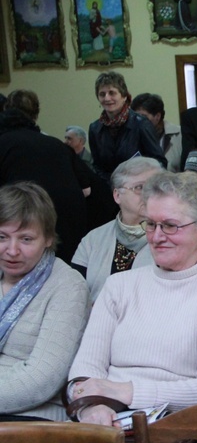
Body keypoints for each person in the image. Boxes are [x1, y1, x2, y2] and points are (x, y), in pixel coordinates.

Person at [66, 171, 197, 427]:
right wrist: (92, 409)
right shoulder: (118, 286)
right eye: (150, 224)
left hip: (177, 431)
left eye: (170, 225)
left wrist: (126, 391)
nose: (157, 237)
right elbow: (84, 372)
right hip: (103, 419)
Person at [0, 182, 90, 443]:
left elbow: (42, 378)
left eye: (26, 239)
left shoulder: (67, 285)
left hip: (32, 421)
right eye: (2, 237)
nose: (11, 250)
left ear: (49, 239)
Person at [0, 90, 90, 264]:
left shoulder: (4, 143)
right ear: (36, 114)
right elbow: (87, 189)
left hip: (22, 231)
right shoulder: (57, 144)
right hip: (68, 233)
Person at [71, 157, 164, 303]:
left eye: (155, 188)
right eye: (139, 188)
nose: (149, 194)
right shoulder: (93, 239)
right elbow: (74, 296)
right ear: (117, 195)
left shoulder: (172, 237)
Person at [88, 72, 166, 183]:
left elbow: (159, 162)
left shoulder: (141, 124)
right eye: (102, 94)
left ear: (124, 96)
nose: (107, 98)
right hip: (109, 191)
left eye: (112, 93)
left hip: (140, 189)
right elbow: (97, 166)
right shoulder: (95, 129)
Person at [132, 93, 182, 173]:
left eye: (143, 117)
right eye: (136, 117)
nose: (138, 121)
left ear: (157, 116)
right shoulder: (131, 135)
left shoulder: (179, 134)